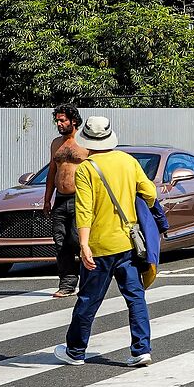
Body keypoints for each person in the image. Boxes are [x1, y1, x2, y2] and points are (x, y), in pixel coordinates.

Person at [57, 114, 164, 366]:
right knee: (135, 297)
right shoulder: (128, 161)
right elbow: (149, 192)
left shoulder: (86, 168)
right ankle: (141, 350)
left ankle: (75, 351)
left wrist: (83, 244)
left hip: (99, 245)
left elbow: (84, 209)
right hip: (129, 243)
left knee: (88, 299)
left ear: (87, 140)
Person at [42, 103, 86, 305]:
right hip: (60, 199)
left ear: (73, 121)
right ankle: (67, 283)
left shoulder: (85, 143)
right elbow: (52, 171)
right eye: (57, 120)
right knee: (60, 241)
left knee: (78, 240)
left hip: (81, 198)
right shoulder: (56, 144)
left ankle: (87, 281)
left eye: (63, 120)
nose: (59, 124)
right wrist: (47, 199)